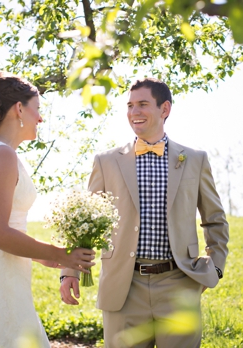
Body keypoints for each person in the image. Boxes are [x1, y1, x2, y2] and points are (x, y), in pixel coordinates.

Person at [59, 78, 229, 347]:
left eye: (142, 104)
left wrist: (215, 268)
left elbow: (215, 219)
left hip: (179, 283)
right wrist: (70, 271)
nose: (133, 112)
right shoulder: (106, 162)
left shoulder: (195, 160)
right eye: (129, 105)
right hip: (124, 287)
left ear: (165, 109)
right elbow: (84, 220)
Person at [0, 71, 96, 347]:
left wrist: (42, 257)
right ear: (19, 109)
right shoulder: (1, 155)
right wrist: (59, 254)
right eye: (37, 109)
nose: (41, 118)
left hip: (2, 275)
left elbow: (1, 226)